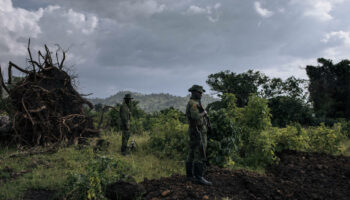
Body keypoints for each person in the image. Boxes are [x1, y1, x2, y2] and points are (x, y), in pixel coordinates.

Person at [185, 85, 212, 185]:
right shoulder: (194, 104)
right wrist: (204, 113)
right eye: (199, 92)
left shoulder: (195, 102)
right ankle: (199, 177)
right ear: (194, 92)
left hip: (195, 130)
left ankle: (190, 175)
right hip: (197, 131)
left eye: (201, 93)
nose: (201, 94)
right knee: (199, 152)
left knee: (192, 153)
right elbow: (195, 116)